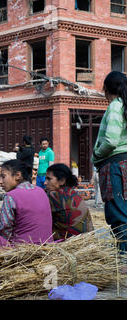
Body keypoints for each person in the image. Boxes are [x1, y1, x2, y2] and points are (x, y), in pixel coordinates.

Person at [0, 159, 53, 250]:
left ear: (17, 176)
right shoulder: (41, 191)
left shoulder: (11, 196)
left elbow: (4, 233)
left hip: (23, 251)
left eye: (3, 177)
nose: (0, 181)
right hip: (45, 248)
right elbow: (28, 215)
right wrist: (1, 216)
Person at [92, 71, 127, 254]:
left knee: (118, 214)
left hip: (115, 167)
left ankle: (123, 258)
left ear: (106, 89)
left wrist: (97, 154)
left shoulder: (115, 106)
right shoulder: (125, 105)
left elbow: (111, 141)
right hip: (124, 165)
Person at [45, 163, 94, 241]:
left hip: (70, 242)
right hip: (87, 241)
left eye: (49, 179)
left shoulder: (54, 195)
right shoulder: (73, 193)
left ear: (62, 181)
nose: (45, 182)